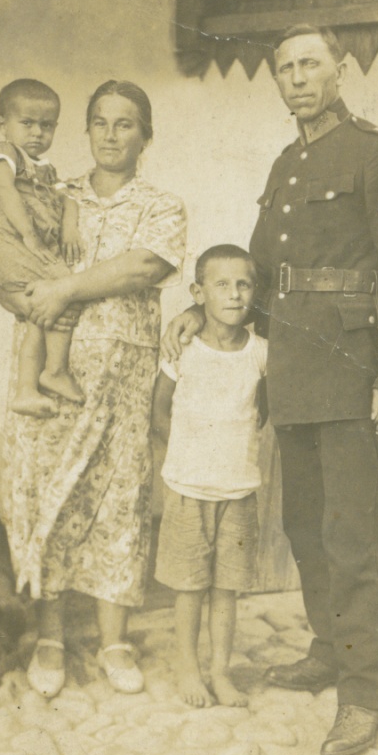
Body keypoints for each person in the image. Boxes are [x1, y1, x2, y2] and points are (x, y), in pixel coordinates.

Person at [163, 25, 378, 755]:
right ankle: (328, 648)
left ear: (340, 69)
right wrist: (204, 308)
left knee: (354, 538)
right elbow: (256, 268)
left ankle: (362, 693)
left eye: (310, 63)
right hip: (288, 368)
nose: (296, 77)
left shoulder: (376, 154)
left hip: (349, 368)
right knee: (304, 526)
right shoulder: (289, 163)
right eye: (285, 68)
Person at [4, 80, 186, 699]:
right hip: (52, 374)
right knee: (48, 496)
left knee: (118, 504)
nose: (111, 135)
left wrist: (65, 289)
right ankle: (50, 638)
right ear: (86, 131)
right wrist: (39, 292)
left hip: (124, 380)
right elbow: (11, 241)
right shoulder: (53, 192)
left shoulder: (162, 205)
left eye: (126, 124)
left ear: (146, 136)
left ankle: (113, 641)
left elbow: (142, 267)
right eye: (101, 123)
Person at [152, 244, 268, 709]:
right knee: (190, 587)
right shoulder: (184, 350)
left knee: (227, 588)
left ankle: (220, 671)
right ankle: (188, 669)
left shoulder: (261, 353)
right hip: (188, 490)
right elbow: (159, 412)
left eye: (244, 285)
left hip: (238, 492)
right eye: (222, 285)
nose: (235, 295)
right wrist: (187, 460)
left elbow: (261, 413)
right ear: (198, 293)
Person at [0, 78, 84, 414]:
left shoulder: (47, 169)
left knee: (41, 316)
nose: (37, 133)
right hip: (14, 248)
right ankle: (54, 371)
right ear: (3, 124)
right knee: (65, 291)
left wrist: (69, 228)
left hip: (28, 251)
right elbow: (5, 190)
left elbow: (69, 196)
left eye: (46, 125)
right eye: (26, 123)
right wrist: (27, 232)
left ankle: (27, 389)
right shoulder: (5, 153)